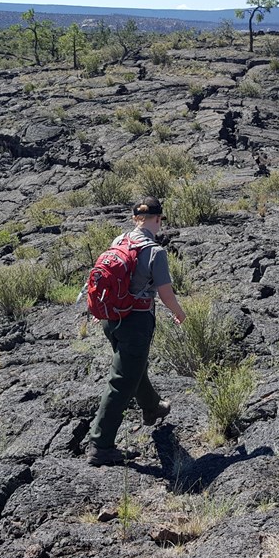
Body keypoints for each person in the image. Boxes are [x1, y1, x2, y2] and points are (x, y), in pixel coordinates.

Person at [87, 197, 187, 467]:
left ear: (135, 219)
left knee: (132, 367)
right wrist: (179, 312)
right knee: (121, 381)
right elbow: (165, 293)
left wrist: (103, 310)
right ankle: (100, 445)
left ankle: (152, 407)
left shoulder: (119, 240)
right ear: (158, 219)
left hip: (112, 318)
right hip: (137, 320)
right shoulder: (155, 251)